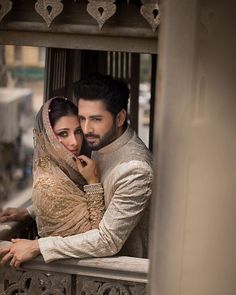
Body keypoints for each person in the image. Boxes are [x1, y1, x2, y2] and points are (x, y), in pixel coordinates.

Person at [0, 74, 153, 268]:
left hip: (122, 274)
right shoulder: (103, 141)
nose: (86, 129)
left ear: (120, 118)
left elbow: (108, 240)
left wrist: (39, 246)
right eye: (82, 118)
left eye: (96, 119)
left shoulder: (135, 169)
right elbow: (77, 195)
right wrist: (32, 211)